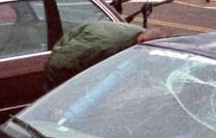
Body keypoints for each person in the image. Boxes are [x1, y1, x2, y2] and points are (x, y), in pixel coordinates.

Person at [43, 22, 171, 90]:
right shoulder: (105, 43)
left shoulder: (140, 35)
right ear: (142, 40)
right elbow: (60, 63)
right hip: (59, 72)